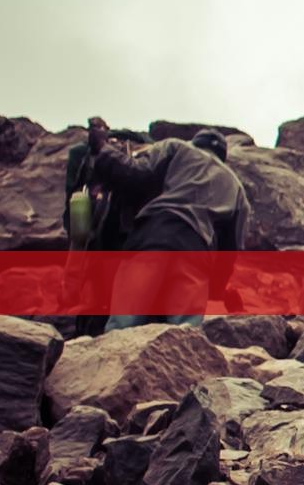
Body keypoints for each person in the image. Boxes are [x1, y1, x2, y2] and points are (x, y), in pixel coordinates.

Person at [75, 123, 250, 332]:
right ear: (223, 156)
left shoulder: (177, 148)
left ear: (195, 143)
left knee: (123, 325)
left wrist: (103, 149)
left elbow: (136, 173)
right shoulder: (235, 186)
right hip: (196, 253)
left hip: (154, 236)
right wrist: (216, 289)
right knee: (185, 334)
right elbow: (230, 250)